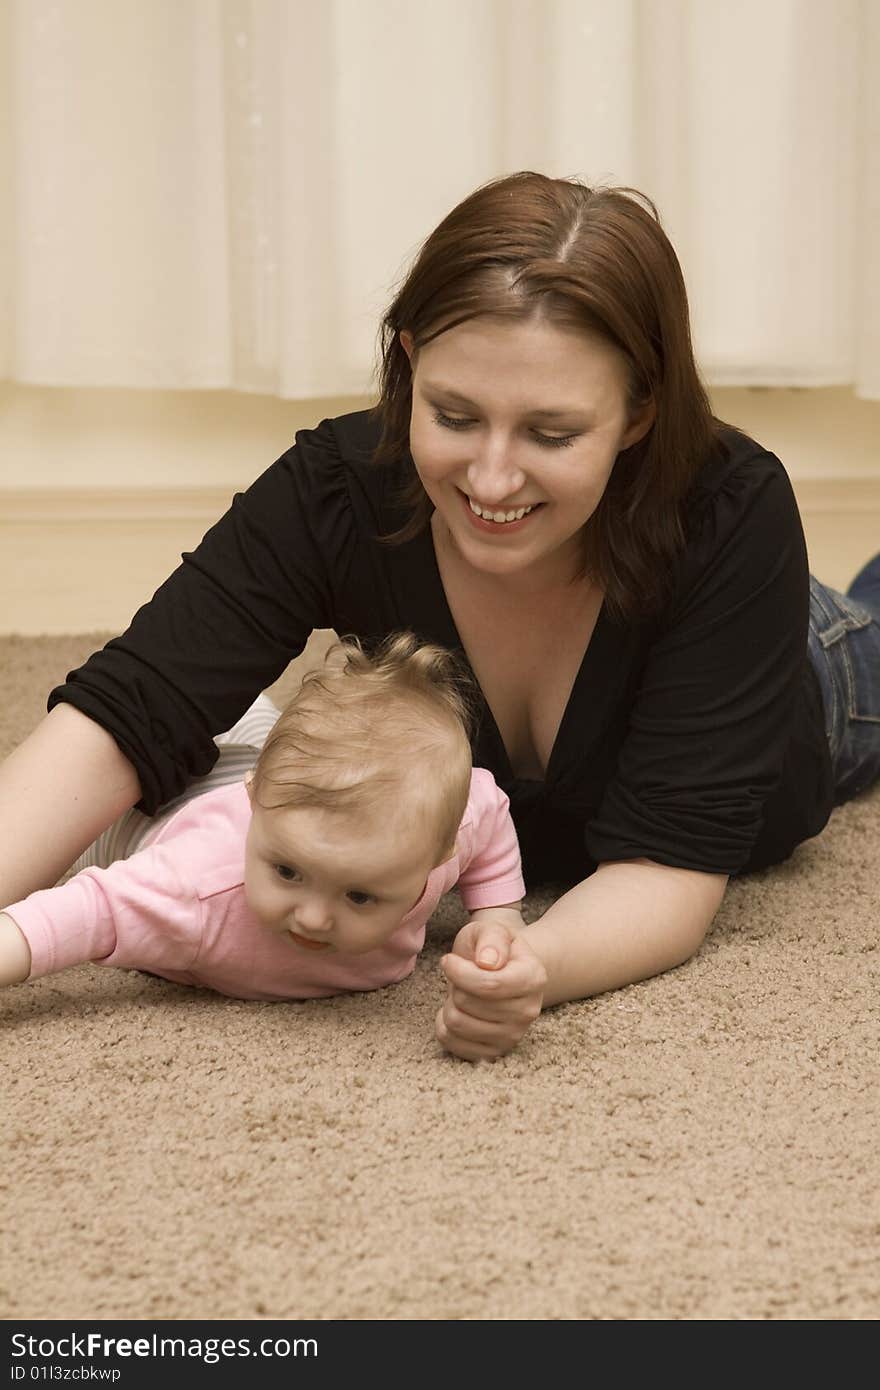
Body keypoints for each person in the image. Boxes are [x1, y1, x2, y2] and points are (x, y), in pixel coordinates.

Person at [2, 170, 879, 1060]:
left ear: (639, 411)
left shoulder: (731, 514)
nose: (492, 481)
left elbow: (670, 869)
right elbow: (129, 714)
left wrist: (533, 964)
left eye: (551, 434)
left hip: (814, 661)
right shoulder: (339, 488)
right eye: (454, 416)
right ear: (411, 360)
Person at [0, 635, 525, 1008]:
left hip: (269, 785)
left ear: (438, 856)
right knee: (186, 739)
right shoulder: (192, 887)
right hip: (148, 817)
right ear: (255, 805)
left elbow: (490, 806)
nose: (314, 919)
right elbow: (77, 914)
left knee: (269, 736)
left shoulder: (439, 827)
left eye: (360, 896)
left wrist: (496, 916)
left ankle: (255, 727)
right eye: (288, 873)